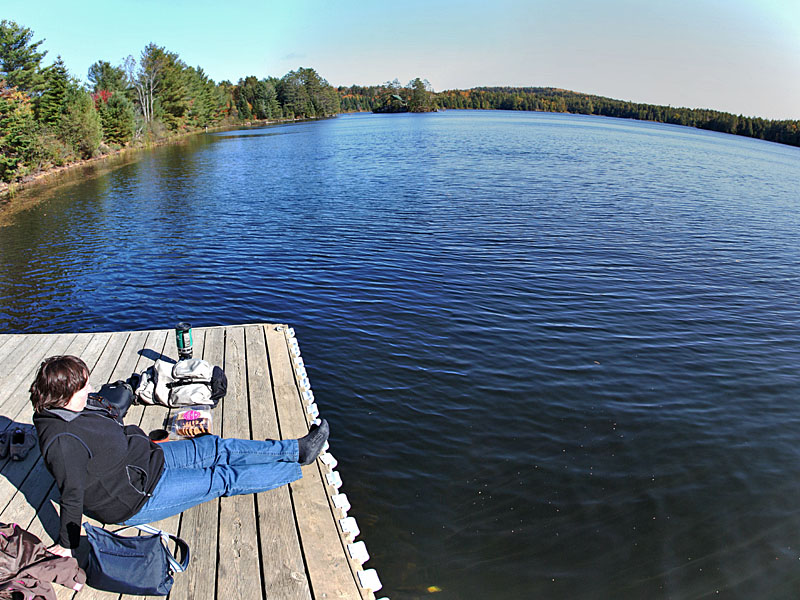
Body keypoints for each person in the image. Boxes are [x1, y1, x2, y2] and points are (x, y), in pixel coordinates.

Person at [30, 355, 329, 558]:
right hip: (136, 496)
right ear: (64, 396)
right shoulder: (62, 442)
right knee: (219, 477)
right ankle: (292, 469)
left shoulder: (75, 408)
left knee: (214, 447)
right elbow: (71, 495)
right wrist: (66, 545)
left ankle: (297, 450)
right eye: (84, 386)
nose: (91, 389)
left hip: (147, 458)